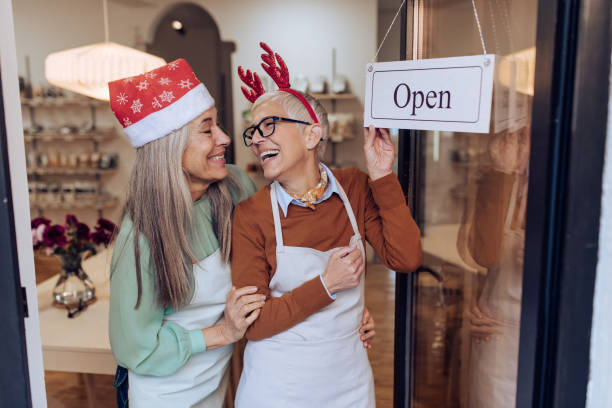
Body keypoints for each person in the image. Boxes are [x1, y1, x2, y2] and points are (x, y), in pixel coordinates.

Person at [231, 43, 422, 407]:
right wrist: (327, 285)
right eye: (251, 132)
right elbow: (253, 324)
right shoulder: (251, 215)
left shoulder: (355, 188)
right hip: (276, 389)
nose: (256, 139)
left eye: (268, 125)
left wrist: (382, 174)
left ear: (311, 134)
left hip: (348, 385)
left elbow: (406, 258)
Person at [107, 59, 263, 408]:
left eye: (217, 124)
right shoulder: (141, 237)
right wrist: (223, 333)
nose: (224, 138)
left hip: (214, 383)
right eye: (206, 129)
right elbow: (135, 347)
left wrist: (339, 315)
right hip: (162, 394)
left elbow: (280, 253)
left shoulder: (237, 187)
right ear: (170, 147)